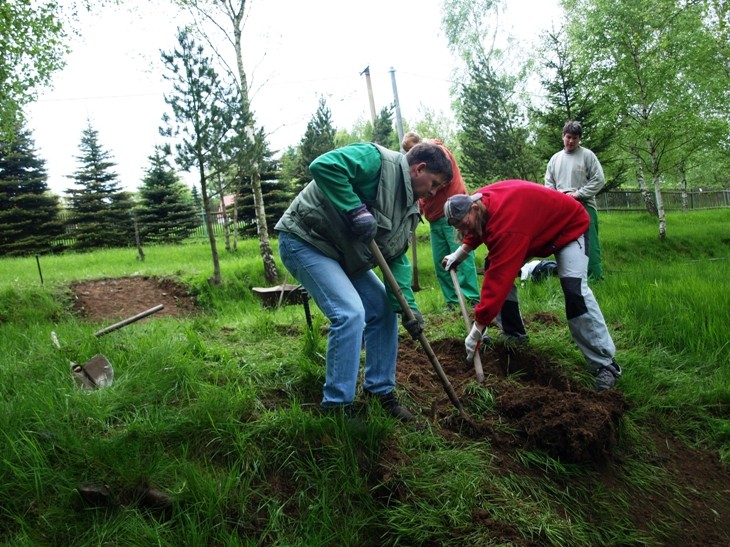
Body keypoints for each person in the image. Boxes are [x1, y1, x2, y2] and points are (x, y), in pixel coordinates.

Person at [275, 141, 453, 420]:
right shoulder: (377, 160)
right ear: (419, 169)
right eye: (434, 184)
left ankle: (379, 391)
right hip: (307, 240)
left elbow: (396, 258)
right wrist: (355, 209)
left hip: (345, 255)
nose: (432, 192)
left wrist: (407, 307)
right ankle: (336, 407)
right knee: (350, 313)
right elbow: (323, 166)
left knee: (383, 311)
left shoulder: (409, 208)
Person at [441, 180, 622, 390]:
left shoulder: (506, 225)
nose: (463, 232)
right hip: (534, 231)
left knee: (574, 291)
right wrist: (459, 253)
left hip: (569, 226)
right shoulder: (481, 203)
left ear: (473, 208)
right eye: (458, 228)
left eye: (463, 225)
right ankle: (514, 334)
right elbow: (478, 227)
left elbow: (498, 281)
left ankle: (605, 364)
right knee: (493, 265)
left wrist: (477, 329)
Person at [401, 132, 481, 310]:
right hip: (434, 218)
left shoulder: (439, 154)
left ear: (420, 144)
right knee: (441, 261)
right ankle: (452, 301)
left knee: (461, 257)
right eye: (408, 150)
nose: (412, 152)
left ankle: (471, 298)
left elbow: (445, 179)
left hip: (454, 215)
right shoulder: (418, 168)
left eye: (413, 148)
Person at [545, 120, 606, 280]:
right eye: (568, 137)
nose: (571, 141)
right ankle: (572, 276)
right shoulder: (555, 159)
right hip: (562, 209)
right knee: (565, 242)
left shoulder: (587, 156)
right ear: (563, 137)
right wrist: (559, 198)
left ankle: (595, 279)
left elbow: (598, 180)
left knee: (590, 244)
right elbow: (549, 184)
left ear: (579, 139)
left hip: (584, 206)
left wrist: (578, 194)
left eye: (575, 138)